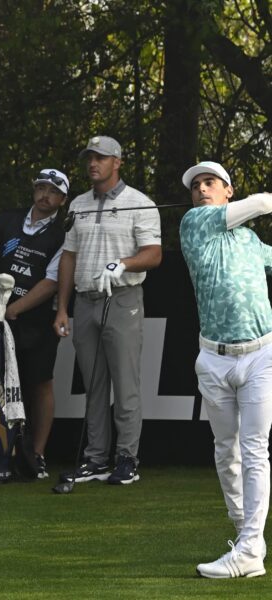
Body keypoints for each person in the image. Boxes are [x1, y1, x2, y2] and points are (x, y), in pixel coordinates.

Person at [179, 161, 272, 578]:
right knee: (226, 451)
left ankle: (250, 546)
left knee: (255, 450)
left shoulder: (251, 240)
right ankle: (245, 536)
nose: (201, 189)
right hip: (214, 360)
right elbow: (260, 204)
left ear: (227, 190)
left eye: (210, 183)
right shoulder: (194, 223)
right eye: (196, 185)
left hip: (261, 355)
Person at [53, 136, 162, 485]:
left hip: (122, 299)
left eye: (100, 158)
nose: (92, 164)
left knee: (125, 384)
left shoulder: (140, 203)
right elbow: (68, 257)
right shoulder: (78, 205)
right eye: (89, 158)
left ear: (118, 162)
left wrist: (124, 264)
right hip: (85, 301)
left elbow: (153, 253)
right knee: (94, 385)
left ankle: (126, 458)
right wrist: (61, 308)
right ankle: (96, 458)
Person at [0, 168, 68, 479]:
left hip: (34, 320)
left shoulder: (63, 234)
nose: (44, 195)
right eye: (40, 188)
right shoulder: (8, 219)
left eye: (52, 191)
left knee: (39, 383)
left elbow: (52, 281)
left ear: (62, 199)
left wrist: (14, 309)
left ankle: (37, 453)